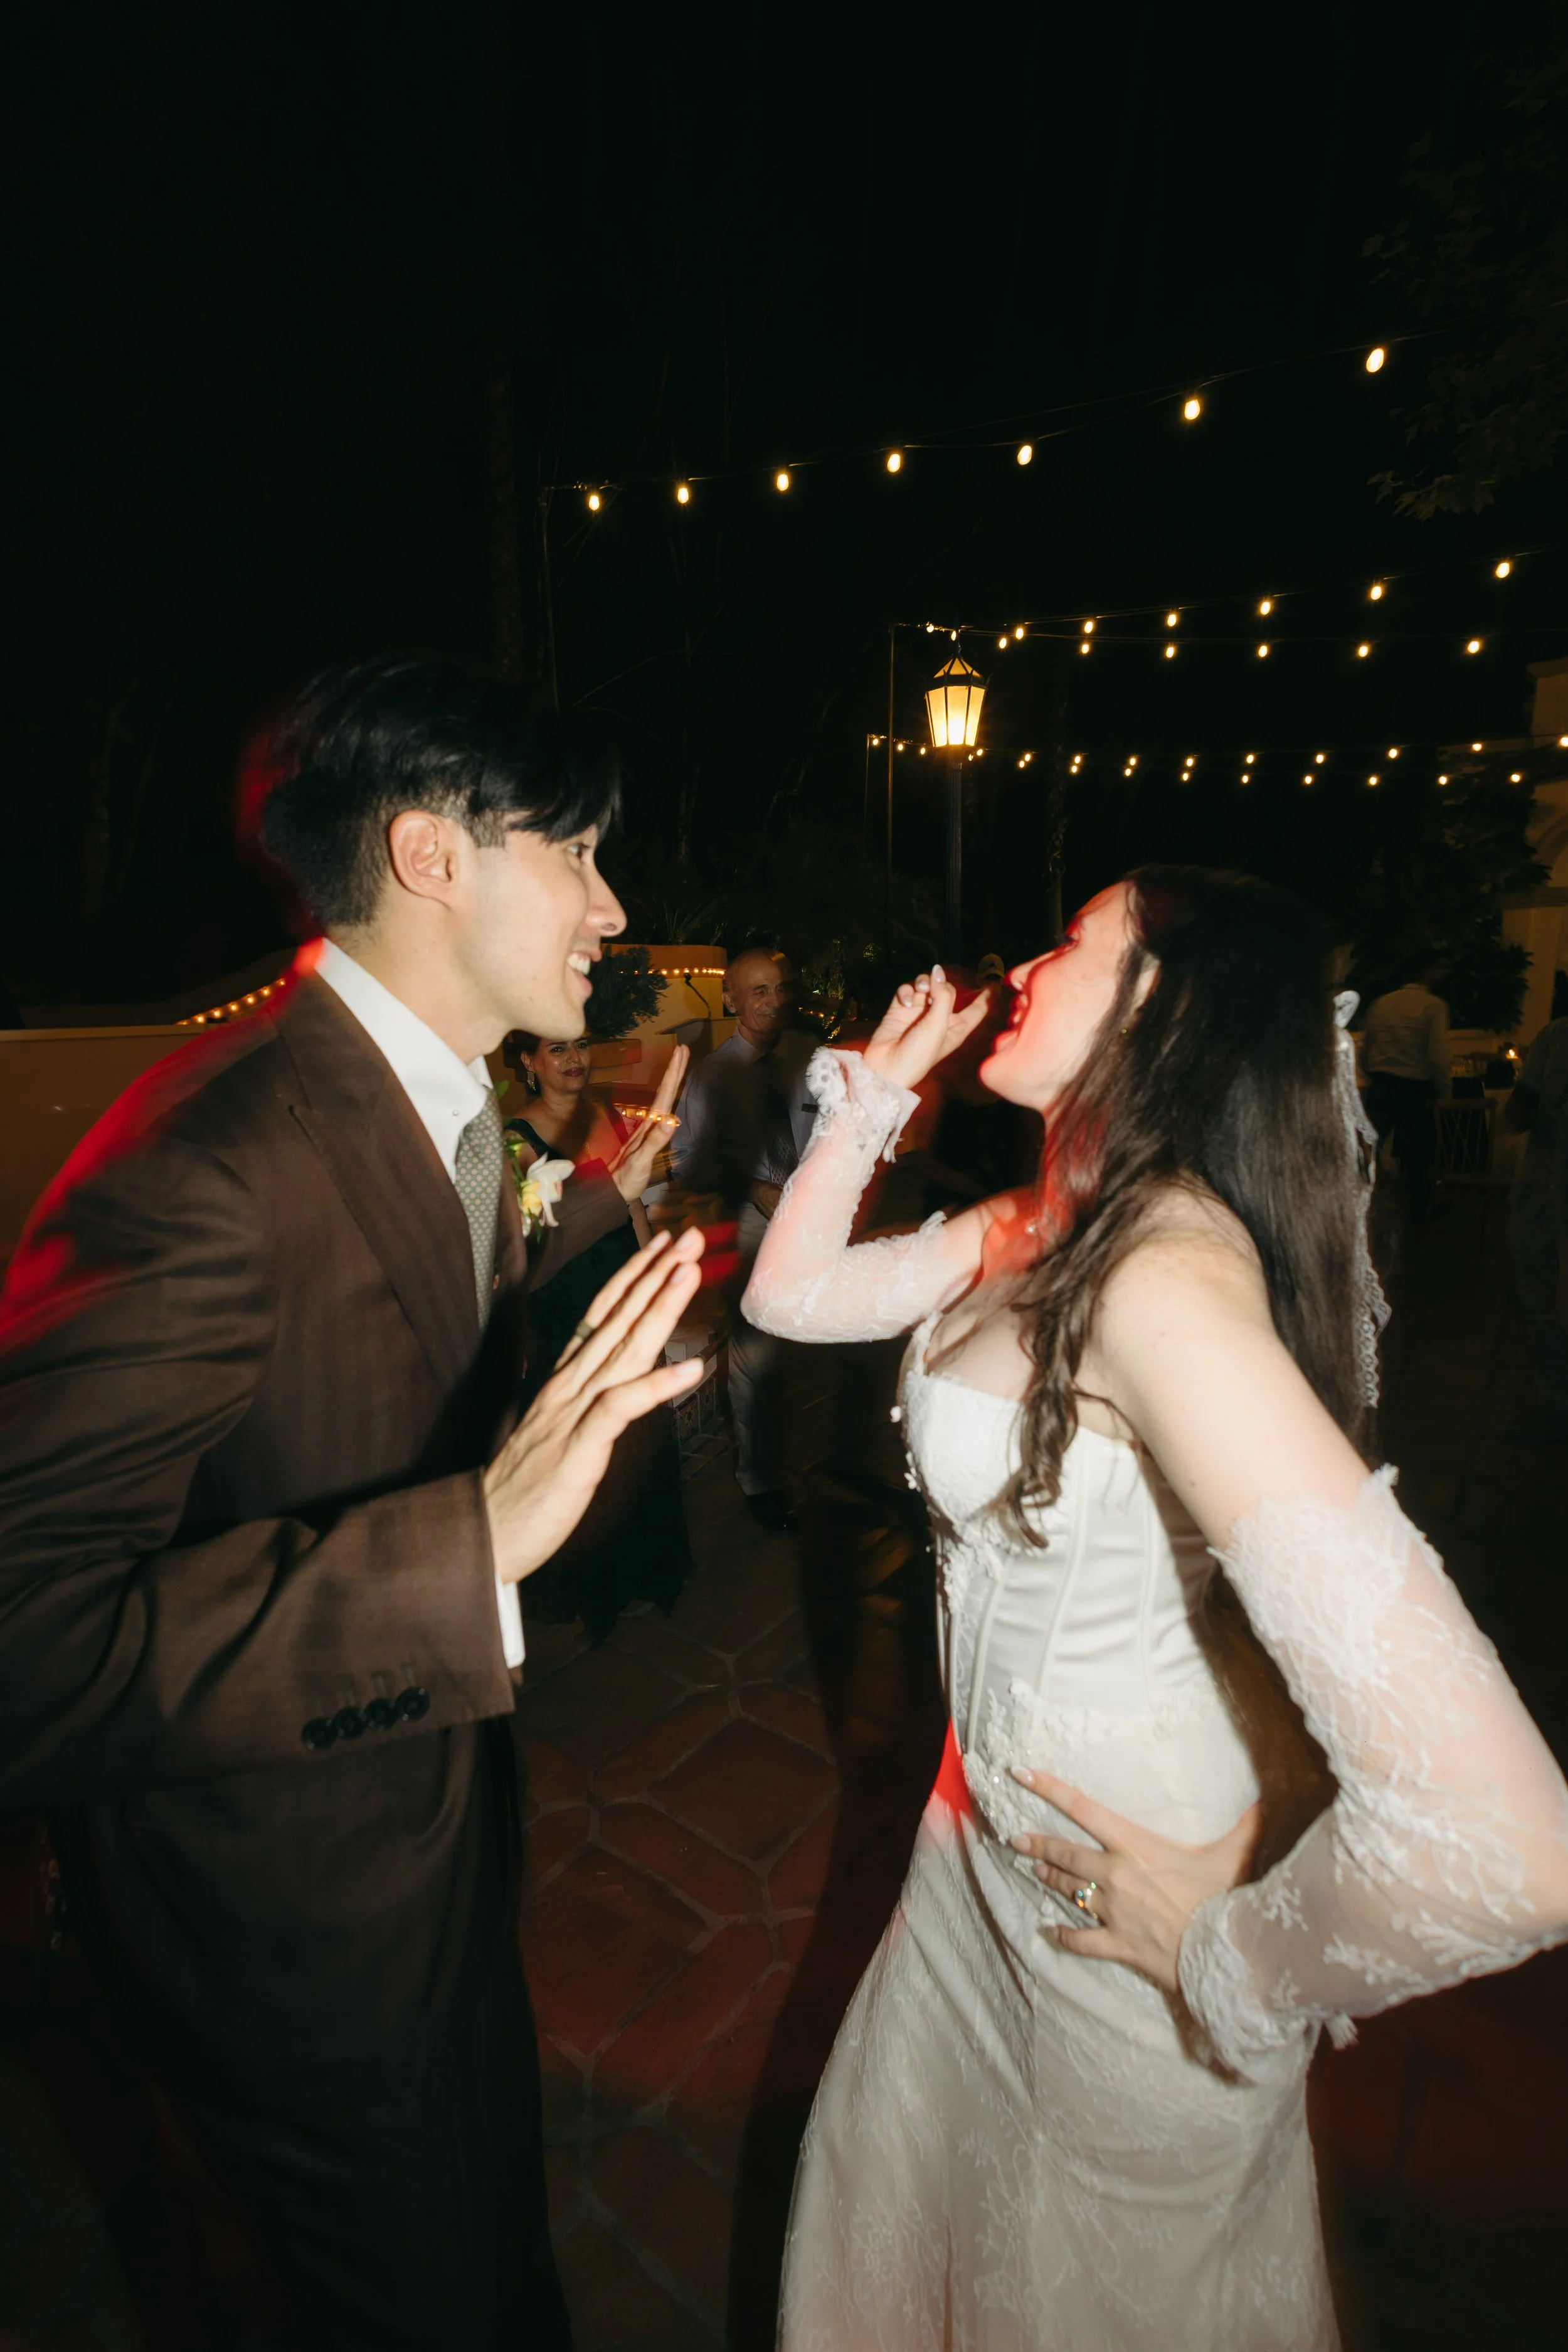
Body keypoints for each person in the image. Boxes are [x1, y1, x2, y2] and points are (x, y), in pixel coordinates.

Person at [743, 871, 1568, 2349]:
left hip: (1124, 1916)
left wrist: (1240, 1952)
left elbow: (1514, 1838)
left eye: (1071, 939)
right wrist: (870, 1098)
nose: (1027, 956)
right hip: (972, 1853)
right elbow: (791, 1297)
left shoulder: (1164, 1277)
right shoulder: (1034, 1221)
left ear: (1162, 1009)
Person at [0, 655, 707, 2350]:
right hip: (279, 1941)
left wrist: (582, 1226)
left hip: (420, 1858)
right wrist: (468, 1551)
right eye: (579, 848)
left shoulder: (440, 1104)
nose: (616, 903)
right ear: (430, 854)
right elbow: (24, 1635)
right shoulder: (213, 1155)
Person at [502, 1034, 695, 1633]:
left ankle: (648, 1568)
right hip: (564, 1301)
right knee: (584, 1439)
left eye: (580, 1046)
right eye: (556, 1050)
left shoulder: (608, 1114)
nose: (573, 1060)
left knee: (639, 1436)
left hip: (621, 1286)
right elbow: (533, 1240)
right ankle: (594, 1582)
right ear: (530, 1063)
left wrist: (653, 1285)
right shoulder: (513, 1139)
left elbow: (633, 1207)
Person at [669, 947, 817, 1530]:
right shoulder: (710, 1076)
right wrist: (756, 1185)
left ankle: (795, 1456)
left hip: (809, 1225)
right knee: (753, 1357)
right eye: (758, 991)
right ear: (730, 998)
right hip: (750, 1226)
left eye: (779, 989)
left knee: (801, 1349)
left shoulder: (807, 1061)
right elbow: (683, 1161)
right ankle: (760, 1483)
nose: (773, 1002)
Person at [1505, 1011, 1568, 1442]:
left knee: (1544, 1306)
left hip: (1549, 1195)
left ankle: (1556, 1412)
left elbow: (1517, 1115)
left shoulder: (1559, 1035)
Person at [1362, 951, 1451, 1226]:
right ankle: (1417, 1215)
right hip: (1413, 1086)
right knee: (1419, 1154)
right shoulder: (1433, 1006)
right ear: (1428, 971)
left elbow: (1367, 1047)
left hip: (1380, 1083)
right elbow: (1437, 1056)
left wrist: (1371, 1074)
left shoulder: (1382, 1004)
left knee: (1368, 1151)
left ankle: (1362, 1211)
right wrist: (1444, 1090)